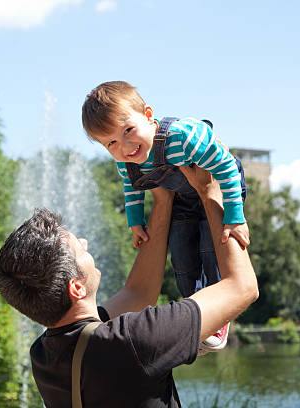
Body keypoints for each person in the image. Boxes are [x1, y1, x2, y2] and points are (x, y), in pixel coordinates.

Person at [0, 165, 258, 408]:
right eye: (78, 249)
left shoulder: (46, 354)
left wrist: (162, 202)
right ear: (76, 288)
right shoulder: (134, 341)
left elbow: (138, 292)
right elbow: (242, 287)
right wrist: (210, 192)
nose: (85, 243)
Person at [81, 80, 249, 351]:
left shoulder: (184, 138)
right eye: (111, 142)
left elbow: (227, 167)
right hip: (183, 199)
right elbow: (132, 187)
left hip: (217, 187)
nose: (125, 146)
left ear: (148, 115)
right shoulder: (127, 162)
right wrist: (135, 222)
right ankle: (202, 312)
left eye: (129, 130)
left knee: (212, 247)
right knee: (181, 254)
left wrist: (235, 216)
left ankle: (221, 311)